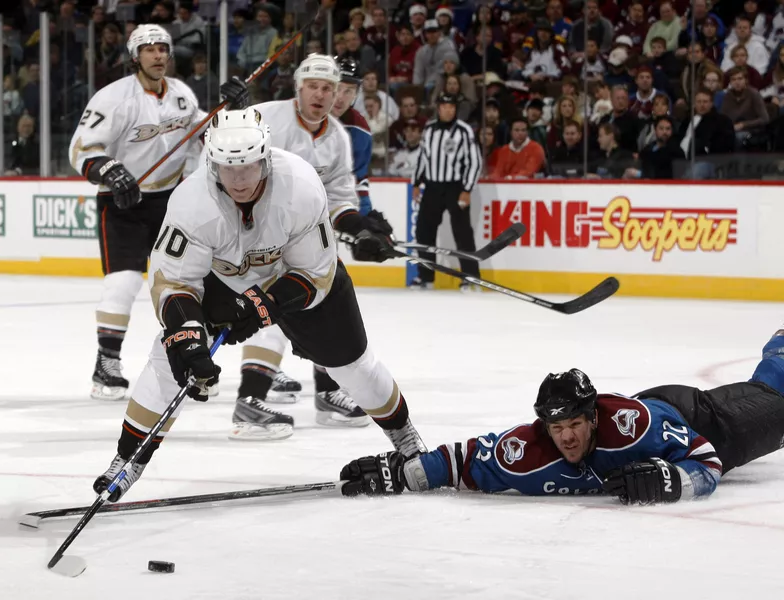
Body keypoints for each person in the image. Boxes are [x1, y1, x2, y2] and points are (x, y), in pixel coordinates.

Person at [93, 106, 427, 502]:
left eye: (248, 167)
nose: (238, 180)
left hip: (294, 275)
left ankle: (405, 438)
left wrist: (262, 305)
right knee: (171, 356)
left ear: (266, 157)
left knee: (351, 363)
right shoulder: (190, 202)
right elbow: (173, 281)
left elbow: (316, 274)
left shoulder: (301, 185)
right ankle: (127, 459)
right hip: (225, 277)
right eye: (226, 168)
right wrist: (188, 337)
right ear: (212, 163)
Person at [340, 322, 784, 504]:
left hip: (695, 419)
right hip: (659, 411)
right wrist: (403, 475)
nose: (567, 437)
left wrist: (673, 482)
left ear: (593, 419)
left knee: (776, 402)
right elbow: (461, 460)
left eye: (575, 425)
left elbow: (707, 458)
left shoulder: (634, 429)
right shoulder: (527, 449)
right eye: (557, 428)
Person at [68, 24, 247, 402]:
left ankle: (192, 359)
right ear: (136, 57)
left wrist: (229, 110)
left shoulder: (181, 94)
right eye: (149, 49)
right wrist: (111, 171)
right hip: (123, 205)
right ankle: (107, 363)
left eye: (163, 48)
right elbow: (81, 148)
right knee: (125, 282)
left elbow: (205, 133)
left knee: (189, 282)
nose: (158, 55)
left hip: (171, 203)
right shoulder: (114, 97)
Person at [228, 54, 395, 439]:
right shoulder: (266, 116)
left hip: (308, 239)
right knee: (269, 310)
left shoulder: (337, 136)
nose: (321, 95)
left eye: (329, 89)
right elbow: (224, 155)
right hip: (258, 235)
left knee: (329, 308)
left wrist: (360, 228)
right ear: (298, 88)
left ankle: (328, 393)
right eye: (313, 87)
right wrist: (234, 109)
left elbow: (339, 198)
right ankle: (249, 402)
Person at [410, 93, 481, 290]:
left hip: (455, 187)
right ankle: (426, 277)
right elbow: (422, 158)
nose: (448, 110)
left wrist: (467, 189)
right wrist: (416, 183)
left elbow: (474, 161)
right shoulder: (430, 129)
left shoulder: (464, 131)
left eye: (451, 107)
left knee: (462, 232)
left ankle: (470, 277)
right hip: (432, 187)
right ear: (438, 108)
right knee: (423, 231)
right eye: (444, 106)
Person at [331, 56, 373, 215]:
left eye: (348, 91)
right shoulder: (305, 117)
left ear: (356, 94)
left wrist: (365, 215)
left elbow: (358, 178)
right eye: (337, 88)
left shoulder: (359, 130)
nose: (340, 97)